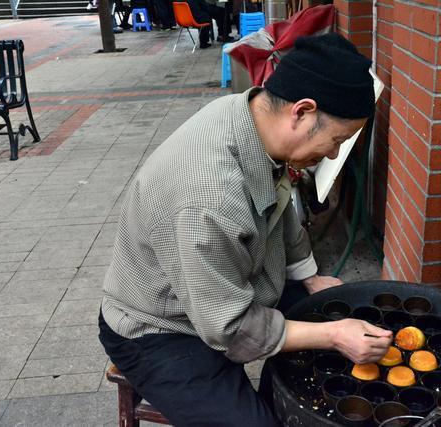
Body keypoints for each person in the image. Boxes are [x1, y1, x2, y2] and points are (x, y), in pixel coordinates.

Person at [98, 33, 392, 426]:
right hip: (160, 326)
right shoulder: (210, 197)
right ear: (302, 112)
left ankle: (277, 387)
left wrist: (308, 277)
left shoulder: (249, 115)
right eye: (336, 139)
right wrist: (334, 335)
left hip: (227, 288)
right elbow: (230, 328)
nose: (334, 153)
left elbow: (282, 202)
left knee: (333, 316)